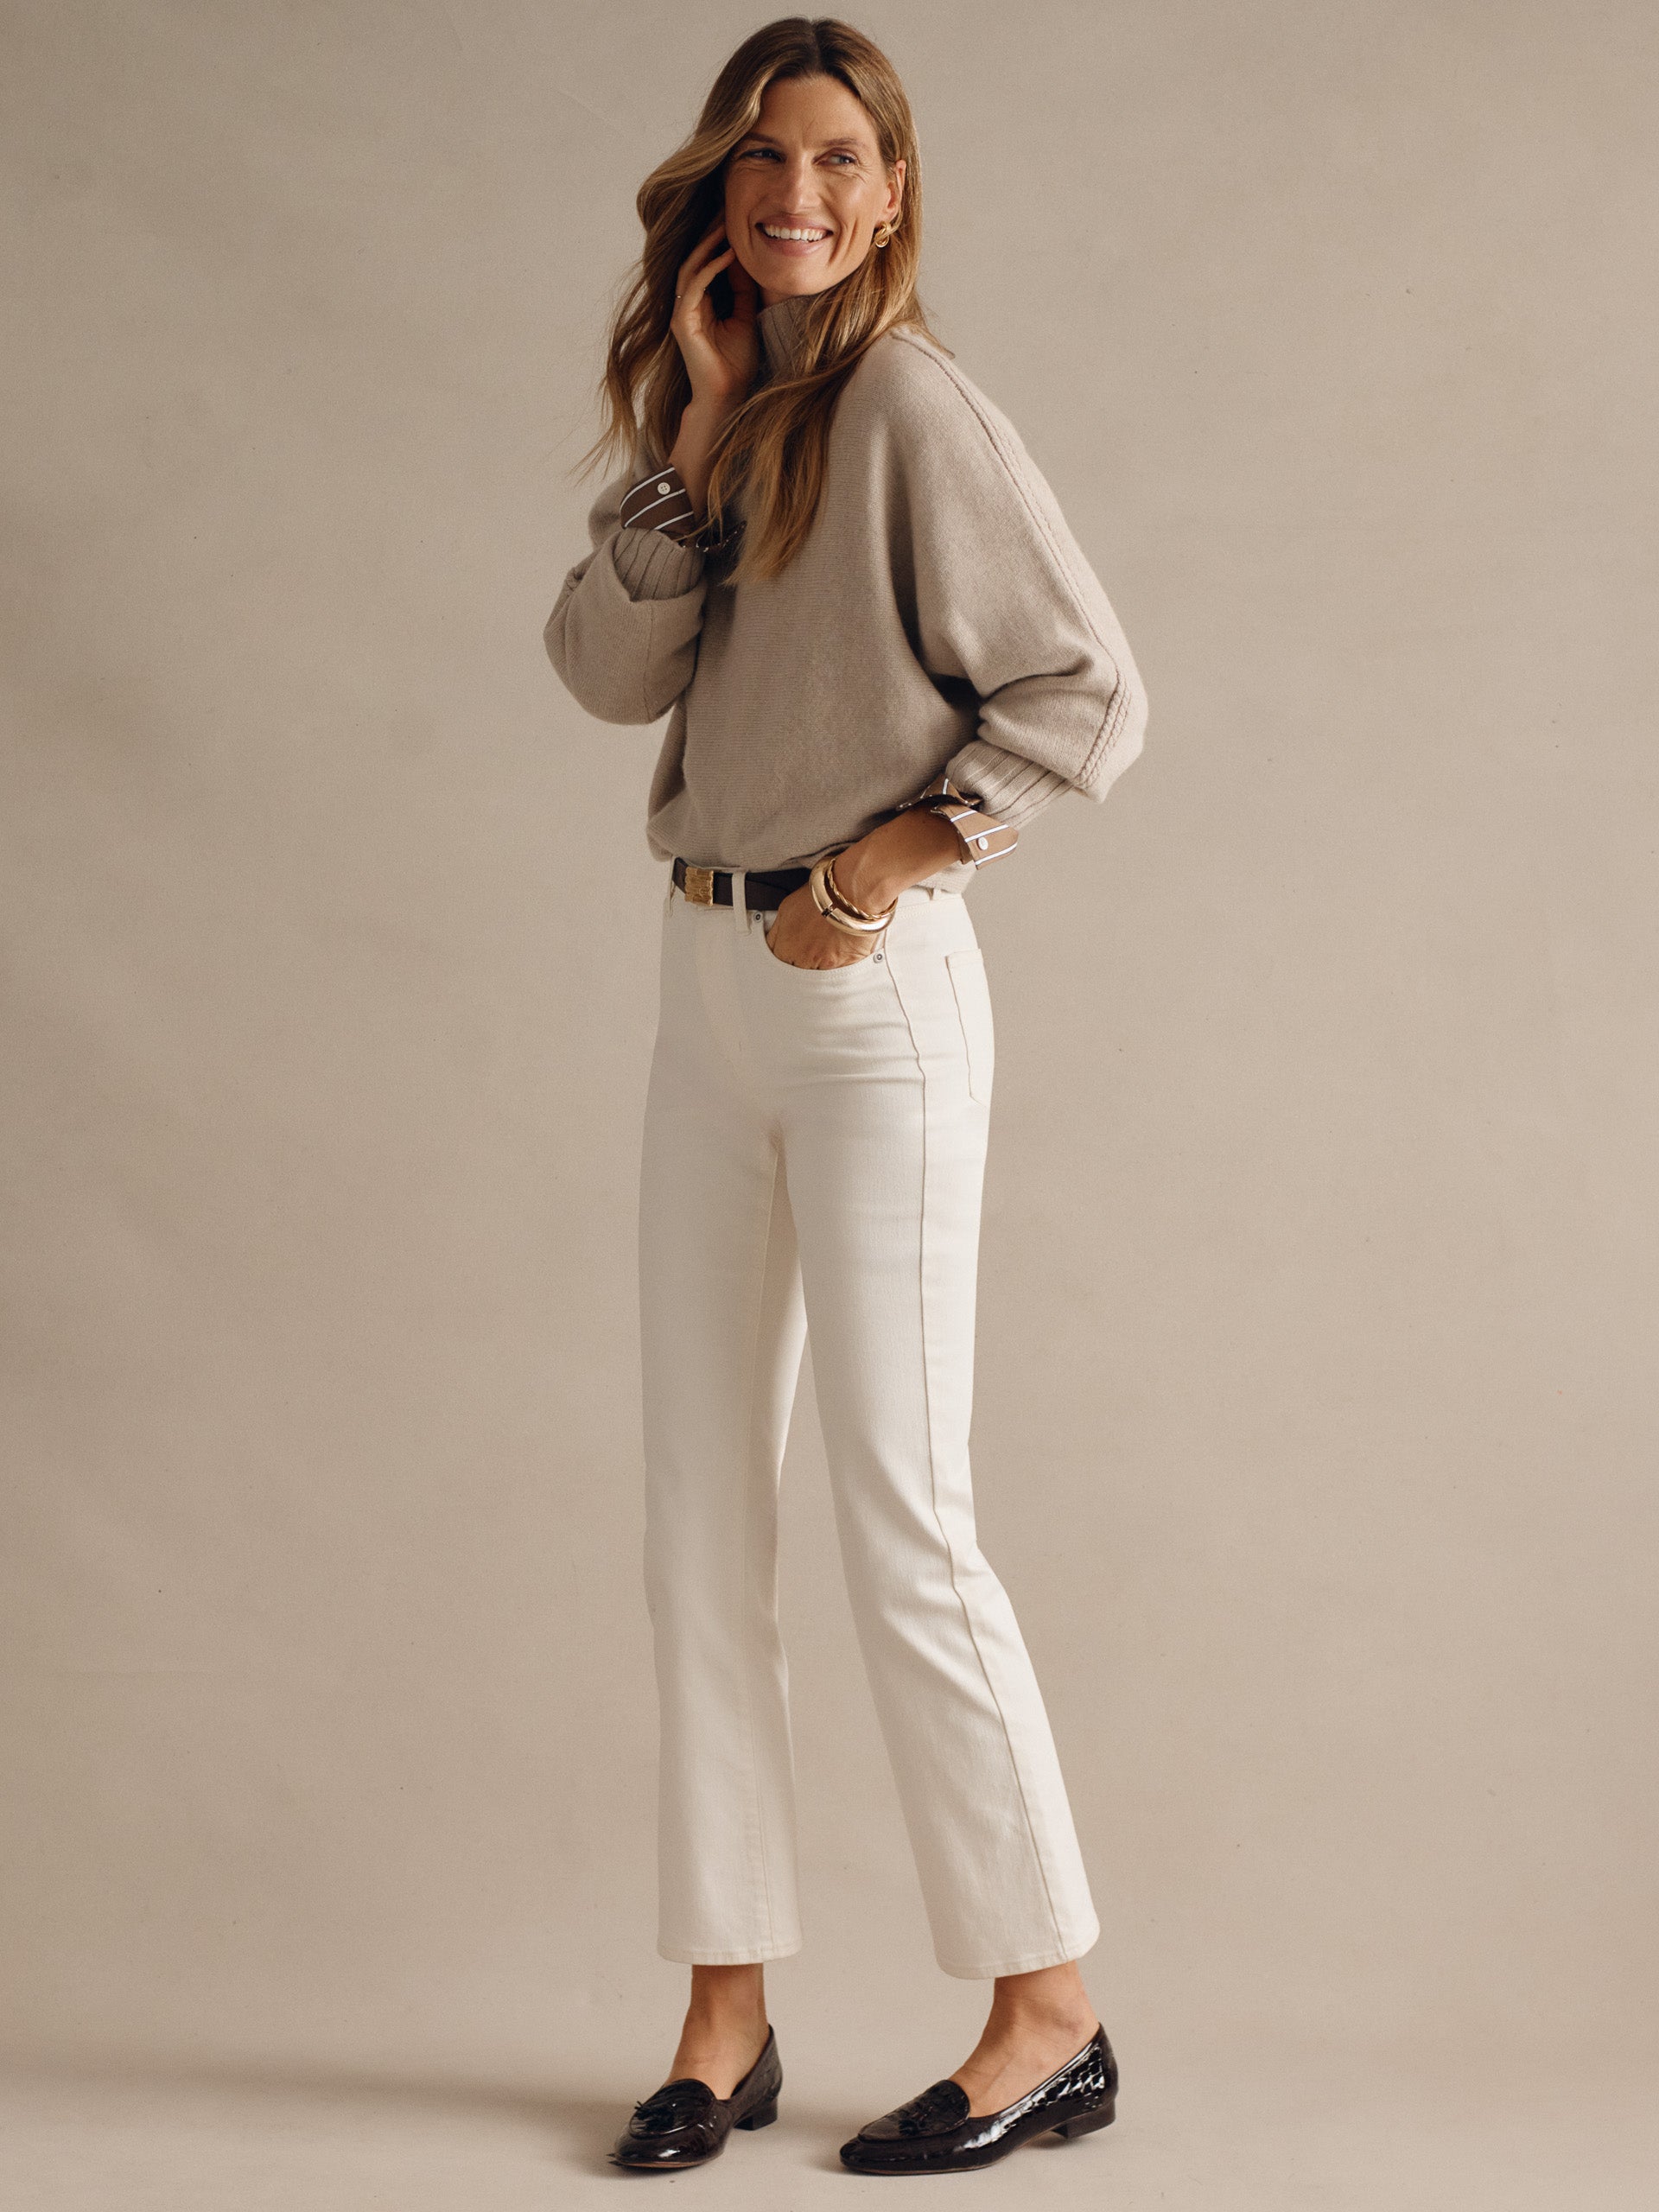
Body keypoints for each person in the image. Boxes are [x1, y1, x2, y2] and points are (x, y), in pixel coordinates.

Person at [544, 15, 1147, 2177]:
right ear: (719, 193)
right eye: (761, 161)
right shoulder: (742, 415)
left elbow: (1089, 687)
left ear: (890, 193)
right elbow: (604, 671)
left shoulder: (909, 405)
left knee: (904, 1510)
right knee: (698, 1513)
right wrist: (701, 430)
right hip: (704, 986)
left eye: (833, 160)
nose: (793, 195)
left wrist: (890, 862)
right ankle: (726, 2009)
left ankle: (1048, 2008)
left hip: (867, 993)